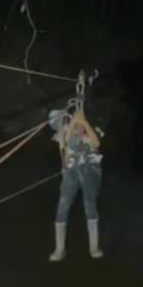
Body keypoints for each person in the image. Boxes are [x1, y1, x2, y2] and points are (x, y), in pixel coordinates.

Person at [46, 96, 104, 261]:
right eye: (75, 125)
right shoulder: (68, 134)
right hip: (71, 172)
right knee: (62, 205)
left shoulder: (90, 134)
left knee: (89, 204)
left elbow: (96, 144)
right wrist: (74, 122)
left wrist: (84, 121)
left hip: (89, 172)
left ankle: (93, 247)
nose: (78, 127)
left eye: (80, 125)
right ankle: (59, 249)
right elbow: (67, 143)